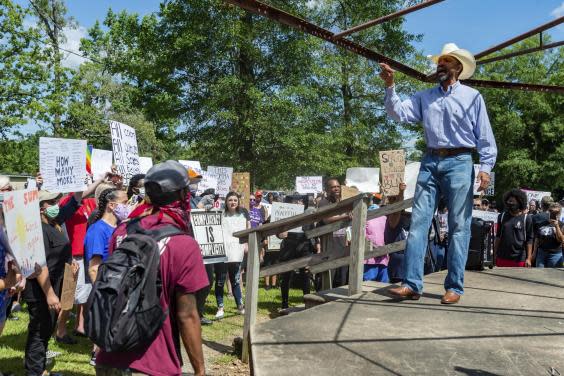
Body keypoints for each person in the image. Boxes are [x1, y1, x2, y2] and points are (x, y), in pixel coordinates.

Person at [380, 42, 497, 304]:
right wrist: (390, 86)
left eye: (446, 61)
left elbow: (485, 138)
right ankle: (411, 283)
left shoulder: (472, 97)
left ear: (458, 67)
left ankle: (454, 285)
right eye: (439, 61)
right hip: (431, 160)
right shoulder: (425, 97)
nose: (440, 65)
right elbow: (398, 112)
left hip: (460, 160)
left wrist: (486, 168)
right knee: (419, 222)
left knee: (459, 225)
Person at [95, 160, 207, 376]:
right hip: (154, 365)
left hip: (108, 357)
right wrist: (200, 370)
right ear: (184, 195)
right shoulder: (184, 245)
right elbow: (187, 315)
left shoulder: (121, 231)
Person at [23, 183, 99, 376]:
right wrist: (49, 294)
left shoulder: (53, 222)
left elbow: (74, 201)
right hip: (41, 290)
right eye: (52, 202)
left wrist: (69, 263)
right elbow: (39, 266)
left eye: (57, 201)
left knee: (45, 329)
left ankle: (38, 368)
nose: (57, 204)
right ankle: (35, 371)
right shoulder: (38, 229)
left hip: (54, 286)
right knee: (39, 331)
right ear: (41, 207)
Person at [277, 195, 314, 309]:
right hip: (288, 246)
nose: (299, 202)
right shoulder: (284, 214)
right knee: (286, 275)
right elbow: (278, 232)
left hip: (304, 246)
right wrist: (280, 234)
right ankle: (284, 303)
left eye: (301, 201)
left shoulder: (308, 216)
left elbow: (312, 233)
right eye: (296, 201)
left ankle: (307, 301)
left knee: (305, 274)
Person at [214, 192, 247, 319]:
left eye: (235, 200)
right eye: (230, 200)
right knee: (220, 281)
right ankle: (220, 307)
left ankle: (240, 305)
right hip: (222, 251)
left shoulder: (242, 216)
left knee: (235, 280)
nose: (232, 202)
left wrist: (245, 246)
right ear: (226, 202)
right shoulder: (220, 215)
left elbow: (245, 233)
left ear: (238, 202)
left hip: (235, 252)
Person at [318, 178, 350, 288]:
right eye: (333, 187)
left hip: (342, 239)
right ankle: (325, 294)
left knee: (343, 271)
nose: (336, 188)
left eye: (337, 186)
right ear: (327, 189)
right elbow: (326, 219)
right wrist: (345, 216)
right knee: (330, 270)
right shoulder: (323, 202)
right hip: (329, 241)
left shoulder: (343, 201)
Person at [494, 189, 533, 268]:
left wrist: (528, 258)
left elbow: (530, 240)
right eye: (509, 202)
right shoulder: (501, 216)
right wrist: (494, 254)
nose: (510, 204)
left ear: (520, 203)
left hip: (519, 259)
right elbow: (498, 236)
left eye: (513, 202)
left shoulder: (526, 218)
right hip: (502, 257)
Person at [533, 202, 563, 268]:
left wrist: (557, 226)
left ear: (559, 213)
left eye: (556, 212)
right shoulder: (541, 223)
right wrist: (534, 253)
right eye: (551, 211)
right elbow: (537, 238)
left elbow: (561, 240)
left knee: (553, 276)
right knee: (539, 275)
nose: (553, 214)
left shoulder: (561, 225)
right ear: (549, 211)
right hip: (541, 253)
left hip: (555, 254)